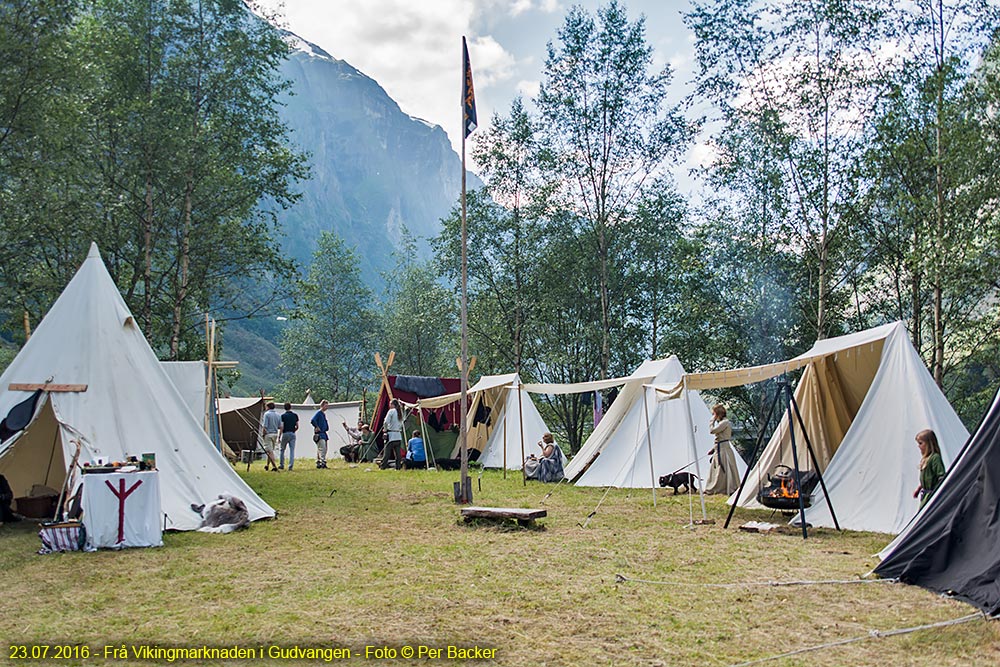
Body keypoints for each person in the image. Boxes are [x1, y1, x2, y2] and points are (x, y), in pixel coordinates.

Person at [704, 404, 740, 495]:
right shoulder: (723, 423)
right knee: (718, 469)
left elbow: (712, 431)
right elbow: (720, 438)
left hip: (723, 449)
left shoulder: (725, 422)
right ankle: (718, 487)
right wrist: (713, 449)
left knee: (723, 469)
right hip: (720, 447)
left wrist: (712, 421)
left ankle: (722, 488)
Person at [913, 428, 946, 507]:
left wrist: (936, 492)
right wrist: (919, 488)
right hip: (925, 495)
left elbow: (941, 476)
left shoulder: (935, 458)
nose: (919, 446)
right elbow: (926, 478)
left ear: (928, 444)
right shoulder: (925, 459)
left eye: (921, 443)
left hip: (931, 495)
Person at [380, 399, 404, 470]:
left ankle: (383, 466)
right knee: (398, 454)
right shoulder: (400, 412)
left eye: (390, 404)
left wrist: (385, 430)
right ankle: (398, 467)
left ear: (393, 404)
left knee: (387, 452)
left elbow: (386, 422)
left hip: (391, 435)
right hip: (398, 435)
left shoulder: (391, 411)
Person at [261, 402, 281, 471]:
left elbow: (265, 426)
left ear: (268, 407)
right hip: (275, 434)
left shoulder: (267, 414)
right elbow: (280, 426)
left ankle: (274, 466)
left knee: (270, 451)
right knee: (270, 451)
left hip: (268, 434)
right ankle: (267, 465)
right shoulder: (278, 415)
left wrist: (263, 434)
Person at [311, 400, 330, 469]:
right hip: (320, 434)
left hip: (324, 433)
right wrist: (316, 426)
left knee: (322, 448)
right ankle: (323, 462)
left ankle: (318, 462)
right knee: (322, 449)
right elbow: (313, 420)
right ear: (322, 406)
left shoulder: (323, 414)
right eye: (326, 405)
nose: (327, 407)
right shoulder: (318, 413)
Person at [279, 402, 298, 470]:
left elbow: (282, 427)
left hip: (285, 433)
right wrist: (294, 430)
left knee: (282, 449)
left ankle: (281, 464)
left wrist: (279, 436)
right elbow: (297, 426)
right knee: (292, 450)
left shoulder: (283, 416)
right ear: (290, 407)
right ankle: (290, 465)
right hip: (292, 433)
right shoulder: (295, 415)